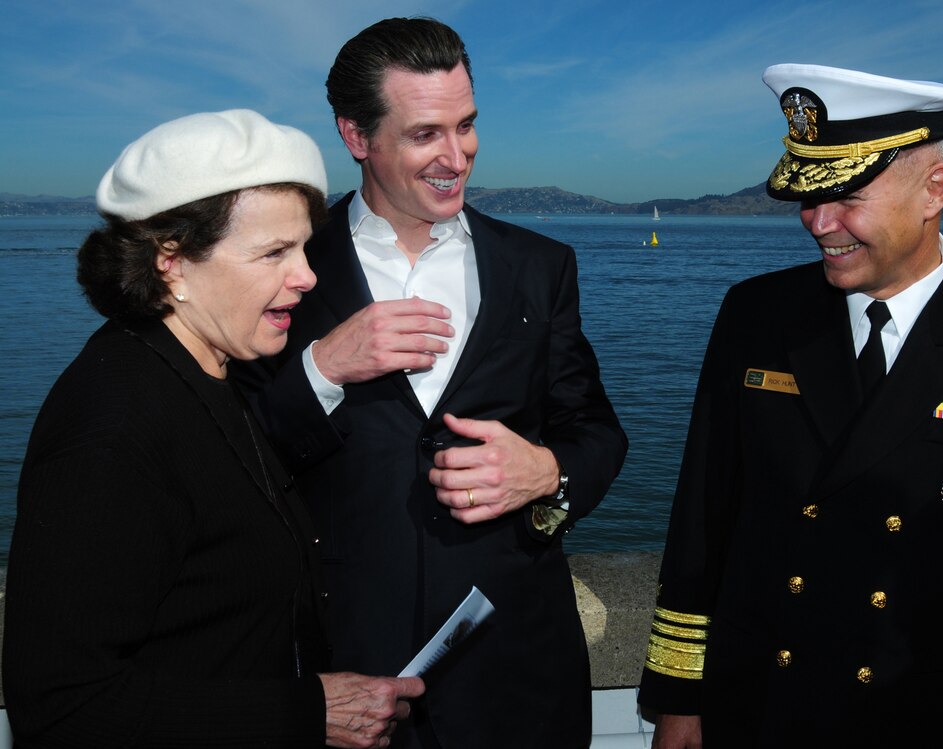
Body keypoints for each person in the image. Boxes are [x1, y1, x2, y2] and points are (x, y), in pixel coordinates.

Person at [638, 64, 943, 748]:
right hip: (754, 710)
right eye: (809, 199)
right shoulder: (756, 316)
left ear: (935, 190)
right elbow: (701, 517)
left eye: (846, 196)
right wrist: (677, 699)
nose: (819, 223)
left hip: (915, 721)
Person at [231, 17, 627, 749]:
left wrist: (547, 471)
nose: (458, 156)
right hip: (341, 676)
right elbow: (229, 454)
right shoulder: (282, 265)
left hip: (519, 676)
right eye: (425, 134)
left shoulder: (541, 265)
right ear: (357, 137)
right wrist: (322, 367)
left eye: (467, 125)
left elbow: (597, 432)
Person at [3, 109, 424, 749]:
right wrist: (307, 711)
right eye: (274, 252)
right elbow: (61, 708)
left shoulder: (206, 372)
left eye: (305, 247)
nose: (306, 276)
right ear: (171, 263)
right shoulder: (114, 426)